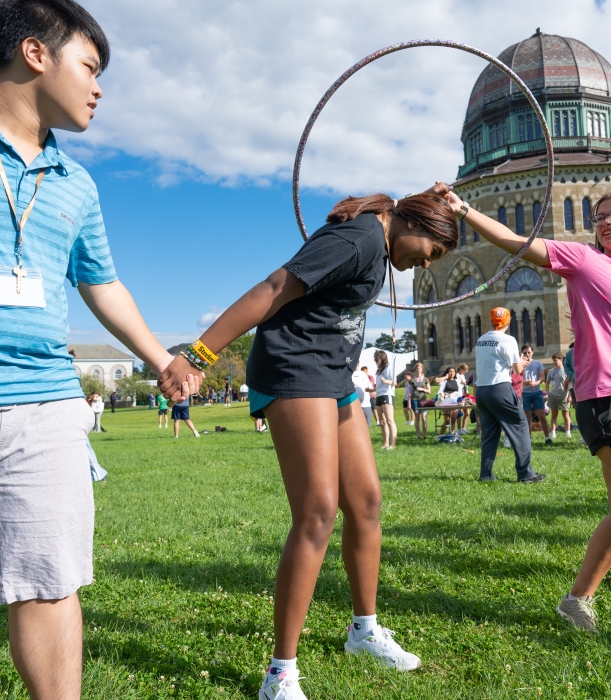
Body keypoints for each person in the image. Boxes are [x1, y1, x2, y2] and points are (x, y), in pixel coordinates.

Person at [0, 1, 201, 695]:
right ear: (36, 53)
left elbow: (102, 284)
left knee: (50, 586)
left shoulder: (76, 183)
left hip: (46, 405)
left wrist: (161, 358)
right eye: (91, 66)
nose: (100, 87)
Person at [159, 191, 456, 700]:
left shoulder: (380, 241)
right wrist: (199, 353)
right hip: (296, 369)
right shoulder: (359, 238)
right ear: (413, 221)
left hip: (332, 375)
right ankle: (280, 674)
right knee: (317, 512)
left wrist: (449, 202)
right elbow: (273, 287)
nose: (424, 263)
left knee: (365, 502)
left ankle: (363, 632)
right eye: (431, 249)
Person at [447, 185, 611, 639]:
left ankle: (577, 600)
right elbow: (516, 242)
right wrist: (463, 209)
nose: (604, 221)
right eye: (598, 215)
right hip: (608, 398)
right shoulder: (585, 261)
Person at [472, 307, 546, 483]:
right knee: (520, 427)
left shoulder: (481, 340)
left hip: (481, 390)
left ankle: (486, 474)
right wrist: (524, 362)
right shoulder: (508, 340)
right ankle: (526, 474)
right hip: (500, 389)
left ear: (492, 321)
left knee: (489, 433)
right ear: (508, 321)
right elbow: (517, 370)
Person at [520, 344, 552, 445]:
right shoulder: (519, 364)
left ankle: (547, 438)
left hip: (537, 392)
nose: (527, 354)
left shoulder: (538, 363)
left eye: (529, 352)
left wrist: (536, 383)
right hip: (525, 393)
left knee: (541, 416)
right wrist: (524, 382)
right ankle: (528, 438)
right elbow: (516, 379)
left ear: (532, 352)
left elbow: (542, 377)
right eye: (525, 353)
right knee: (527, 417)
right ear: (522, 353)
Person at [373, 350, 397, 450]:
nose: (375, 360)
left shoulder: (389, 367)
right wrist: (372, 390)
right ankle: (385, 443)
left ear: (382, 358)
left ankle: (393, 444)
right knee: (382, 422)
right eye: (375, 358)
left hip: (387, 395)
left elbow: (394, 382)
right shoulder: (379, 370)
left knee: (390, 420)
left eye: (377, 358)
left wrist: (386, 381)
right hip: (379, 395)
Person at [545, 352, 572, 440]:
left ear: (561, 360)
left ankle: (568, 432)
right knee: (554, 415)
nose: (554, 362)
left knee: (566, 415)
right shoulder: (551, 371)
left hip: (564, 395)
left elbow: (570, 384)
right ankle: (553, 432)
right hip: (553, 395)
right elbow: (547, 382)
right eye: (553, 360)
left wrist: (570, 396)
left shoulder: (566, 371)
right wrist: (548, 393)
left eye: (556, 360)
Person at [436, 367, 463, 435]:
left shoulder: (457, 381)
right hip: (446, 400)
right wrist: (445, 377)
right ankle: (441, 435)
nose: (452, 373)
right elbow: (437, 381)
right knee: (447, 420)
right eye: (450, 371)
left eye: (453, 371)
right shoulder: (444, 381)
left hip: (455, 400)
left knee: (453, 419)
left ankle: (452, 434)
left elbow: (460, 393)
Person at [410, 363, 431, 439]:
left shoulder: (425, 379)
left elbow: (429, 391)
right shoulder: (412, 380)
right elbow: (410, 392)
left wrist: (422, 389)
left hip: (423, 400)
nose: (418, 370)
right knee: (417, 417)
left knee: (424, 417)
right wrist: (409, 402)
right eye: (417, 368)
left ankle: (425, 435)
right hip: (414, 400)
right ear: (415, 370)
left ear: (422, 369)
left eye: (420, 368)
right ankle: (418, 435)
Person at [352, 364, 375, 429]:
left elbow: (369, 387)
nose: (356, 365)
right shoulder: (349, 373)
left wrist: (376, 394)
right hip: (354, 403)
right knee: (356, 424)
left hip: (366, 403)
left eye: (357, 363)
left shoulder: (363, 374)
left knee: (368, 424)